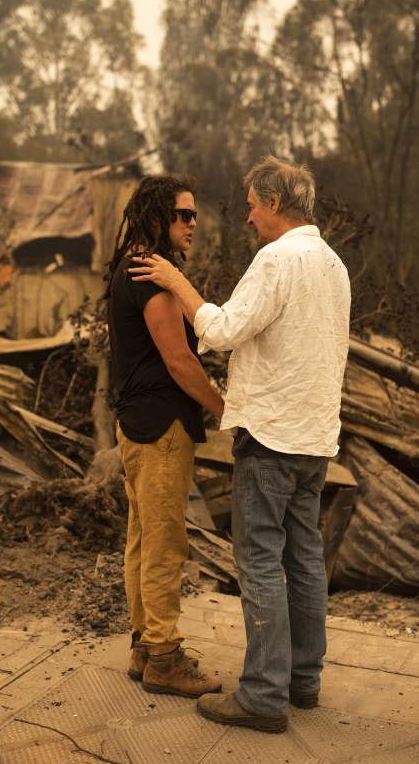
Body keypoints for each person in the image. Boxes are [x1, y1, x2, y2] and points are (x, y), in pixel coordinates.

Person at [129, 156, 351, 733]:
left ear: (274, 204)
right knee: (303, 561)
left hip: (271, 437)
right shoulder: (333, 265)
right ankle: (303, 681)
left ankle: (261, 695)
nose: (248, 217)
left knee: (259, 564)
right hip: (314, 440)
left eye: (252, 205)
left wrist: (177, 282)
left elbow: (222, 330)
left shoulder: (277, 259)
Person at [105, 175, 225, 699]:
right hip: (161, 428)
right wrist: (226, 407)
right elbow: (179, 360)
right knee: (165, 542)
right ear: (157, 217)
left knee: (142, 538)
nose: (193, 223)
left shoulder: (130, 267)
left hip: (136, 422)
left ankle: (143, 646)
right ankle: (165, 657)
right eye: (183, 215)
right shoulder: (153, 277)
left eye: (195, 214)